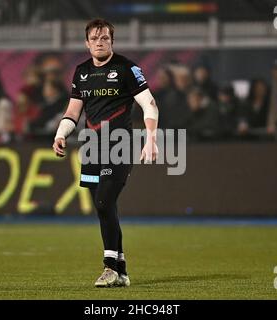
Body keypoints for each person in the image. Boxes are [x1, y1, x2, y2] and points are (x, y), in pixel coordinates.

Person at [52, 19, 159, 287]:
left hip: (120, 145)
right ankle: (121, 272)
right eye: (95, 38)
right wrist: (61, 134)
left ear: (112, 41)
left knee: (103, 202)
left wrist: (151, 139)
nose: (100, 41)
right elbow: (73, 112)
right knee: (104, 207)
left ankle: (109, 268)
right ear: (87, 43)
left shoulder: (127, 68)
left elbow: (150, 104)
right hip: (91, 148)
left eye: (105, 38)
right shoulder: (81, 72)